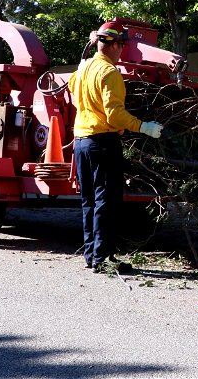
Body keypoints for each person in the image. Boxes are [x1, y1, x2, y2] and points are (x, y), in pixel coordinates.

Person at [69, 21, 163, 273]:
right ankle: (103, 259)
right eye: (121, 44)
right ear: (110, 45)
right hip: (102, 143)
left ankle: (91, 256)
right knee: (106, 201)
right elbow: (114, 115)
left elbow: (71, 91)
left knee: (89, 200)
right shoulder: (109, 73)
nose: (123, 49)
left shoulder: (85, 68)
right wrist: (144, 126)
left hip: (81, 142)